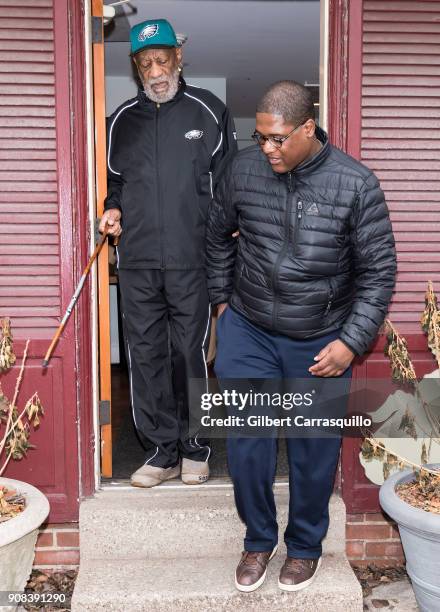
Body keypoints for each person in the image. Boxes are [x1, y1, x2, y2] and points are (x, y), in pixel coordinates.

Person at [206, 81, 396, 592]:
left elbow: (378, 273)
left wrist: (352, 341)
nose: (267, 148)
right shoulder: (242, 170)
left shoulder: (356, 184)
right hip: (248, 328)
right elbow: (217, 236)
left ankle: (306, 545)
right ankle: (258, 541)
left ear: (308, 128)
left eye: (278, 139)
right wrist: (224, 307)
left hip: (319, 336)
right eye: (260, 137)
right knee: (249, 443)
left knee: (314, 448)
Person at [99, 19, 237, 488]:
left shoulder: (209, 111)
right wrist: (112, 210)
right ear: (136, 69)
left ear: (178, 58)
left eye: (162, 60)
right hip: (137, 263)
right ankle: (161, 452)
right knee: (145, 355)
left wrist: (224, 262)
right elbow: (114, 185)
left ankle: (195, 446)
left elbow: (228, 193)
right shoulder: (118, 122)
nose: (155, 71)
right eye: (145, 64)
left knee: (189, 353)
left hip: (192, 261)